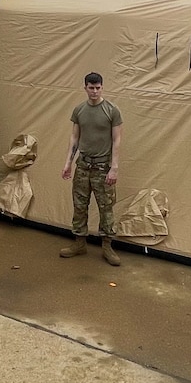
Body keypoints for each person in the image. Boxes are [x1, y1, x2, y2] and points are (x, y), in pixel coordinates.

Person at [60, 72, 123, 266]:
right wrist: (68, 163)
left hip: (103, 167)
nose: (94, 91)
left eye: (98, 88)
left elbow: (117, 140)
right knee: (79, 206)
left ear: (102, 87)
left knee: (106, 208)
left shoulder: (112, 110)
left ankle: (107, 246)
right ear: (85, 87)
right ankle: (79, 242)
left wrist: (114, 168)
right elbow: (74, 138)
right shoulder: (79, 110)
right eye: (91, 87)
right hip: (83, 166)